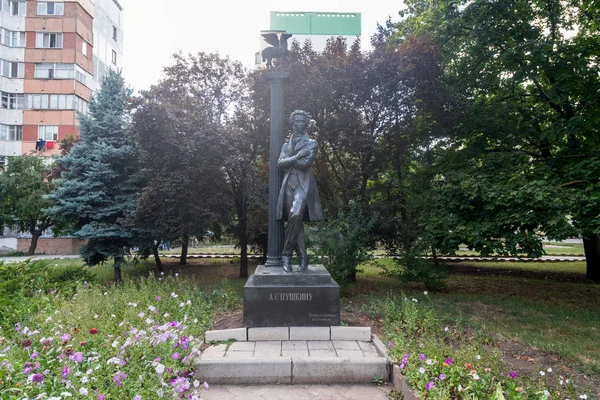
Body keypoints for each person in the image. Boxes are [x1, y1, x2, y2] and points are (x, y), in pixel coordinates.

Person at [276, 110, 323, 272]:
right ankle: (303, 257)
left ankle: (286, 253)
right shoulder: (285, 145)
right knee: (295, 221)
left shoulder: (311, 143)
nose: (301, 124)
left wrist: (291, 160)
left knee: (296, 214)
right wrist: (297, 156)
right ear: (292, 123)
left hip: (303, 185)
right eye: (298, 121)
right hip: (288, 184)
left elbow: (306, 163)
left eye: (304, 121)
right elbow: (280, 164)